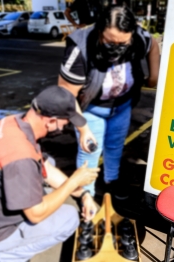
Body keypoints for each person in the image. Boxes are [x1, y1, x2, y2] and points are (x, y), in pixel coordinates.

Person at [0, 86, 100, 262]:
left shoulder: (14, 122)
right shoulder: (20, 156)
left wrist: (83, 194)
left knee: (49, 165)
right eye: (67, 122)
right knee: (69, 218)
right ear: (51, 121)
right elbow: (36, 214)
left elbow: (45, 167)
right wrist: (73, 181)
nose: (66, 126)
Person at [58, 5, 160, 198]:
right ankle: (86, 194)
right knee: (89, 152)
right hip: (91, 110)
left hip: (122, 107)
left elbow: (153, 44)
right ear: (98, 30)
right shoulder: (80, 47)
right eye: (109, 42)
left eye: (122, 44)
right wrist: (82, 128)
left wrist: (153, 76)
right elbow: (66, 93)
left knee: (115, 146)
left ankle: (112, 181)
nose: (116, 50)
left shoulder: (138, 38)